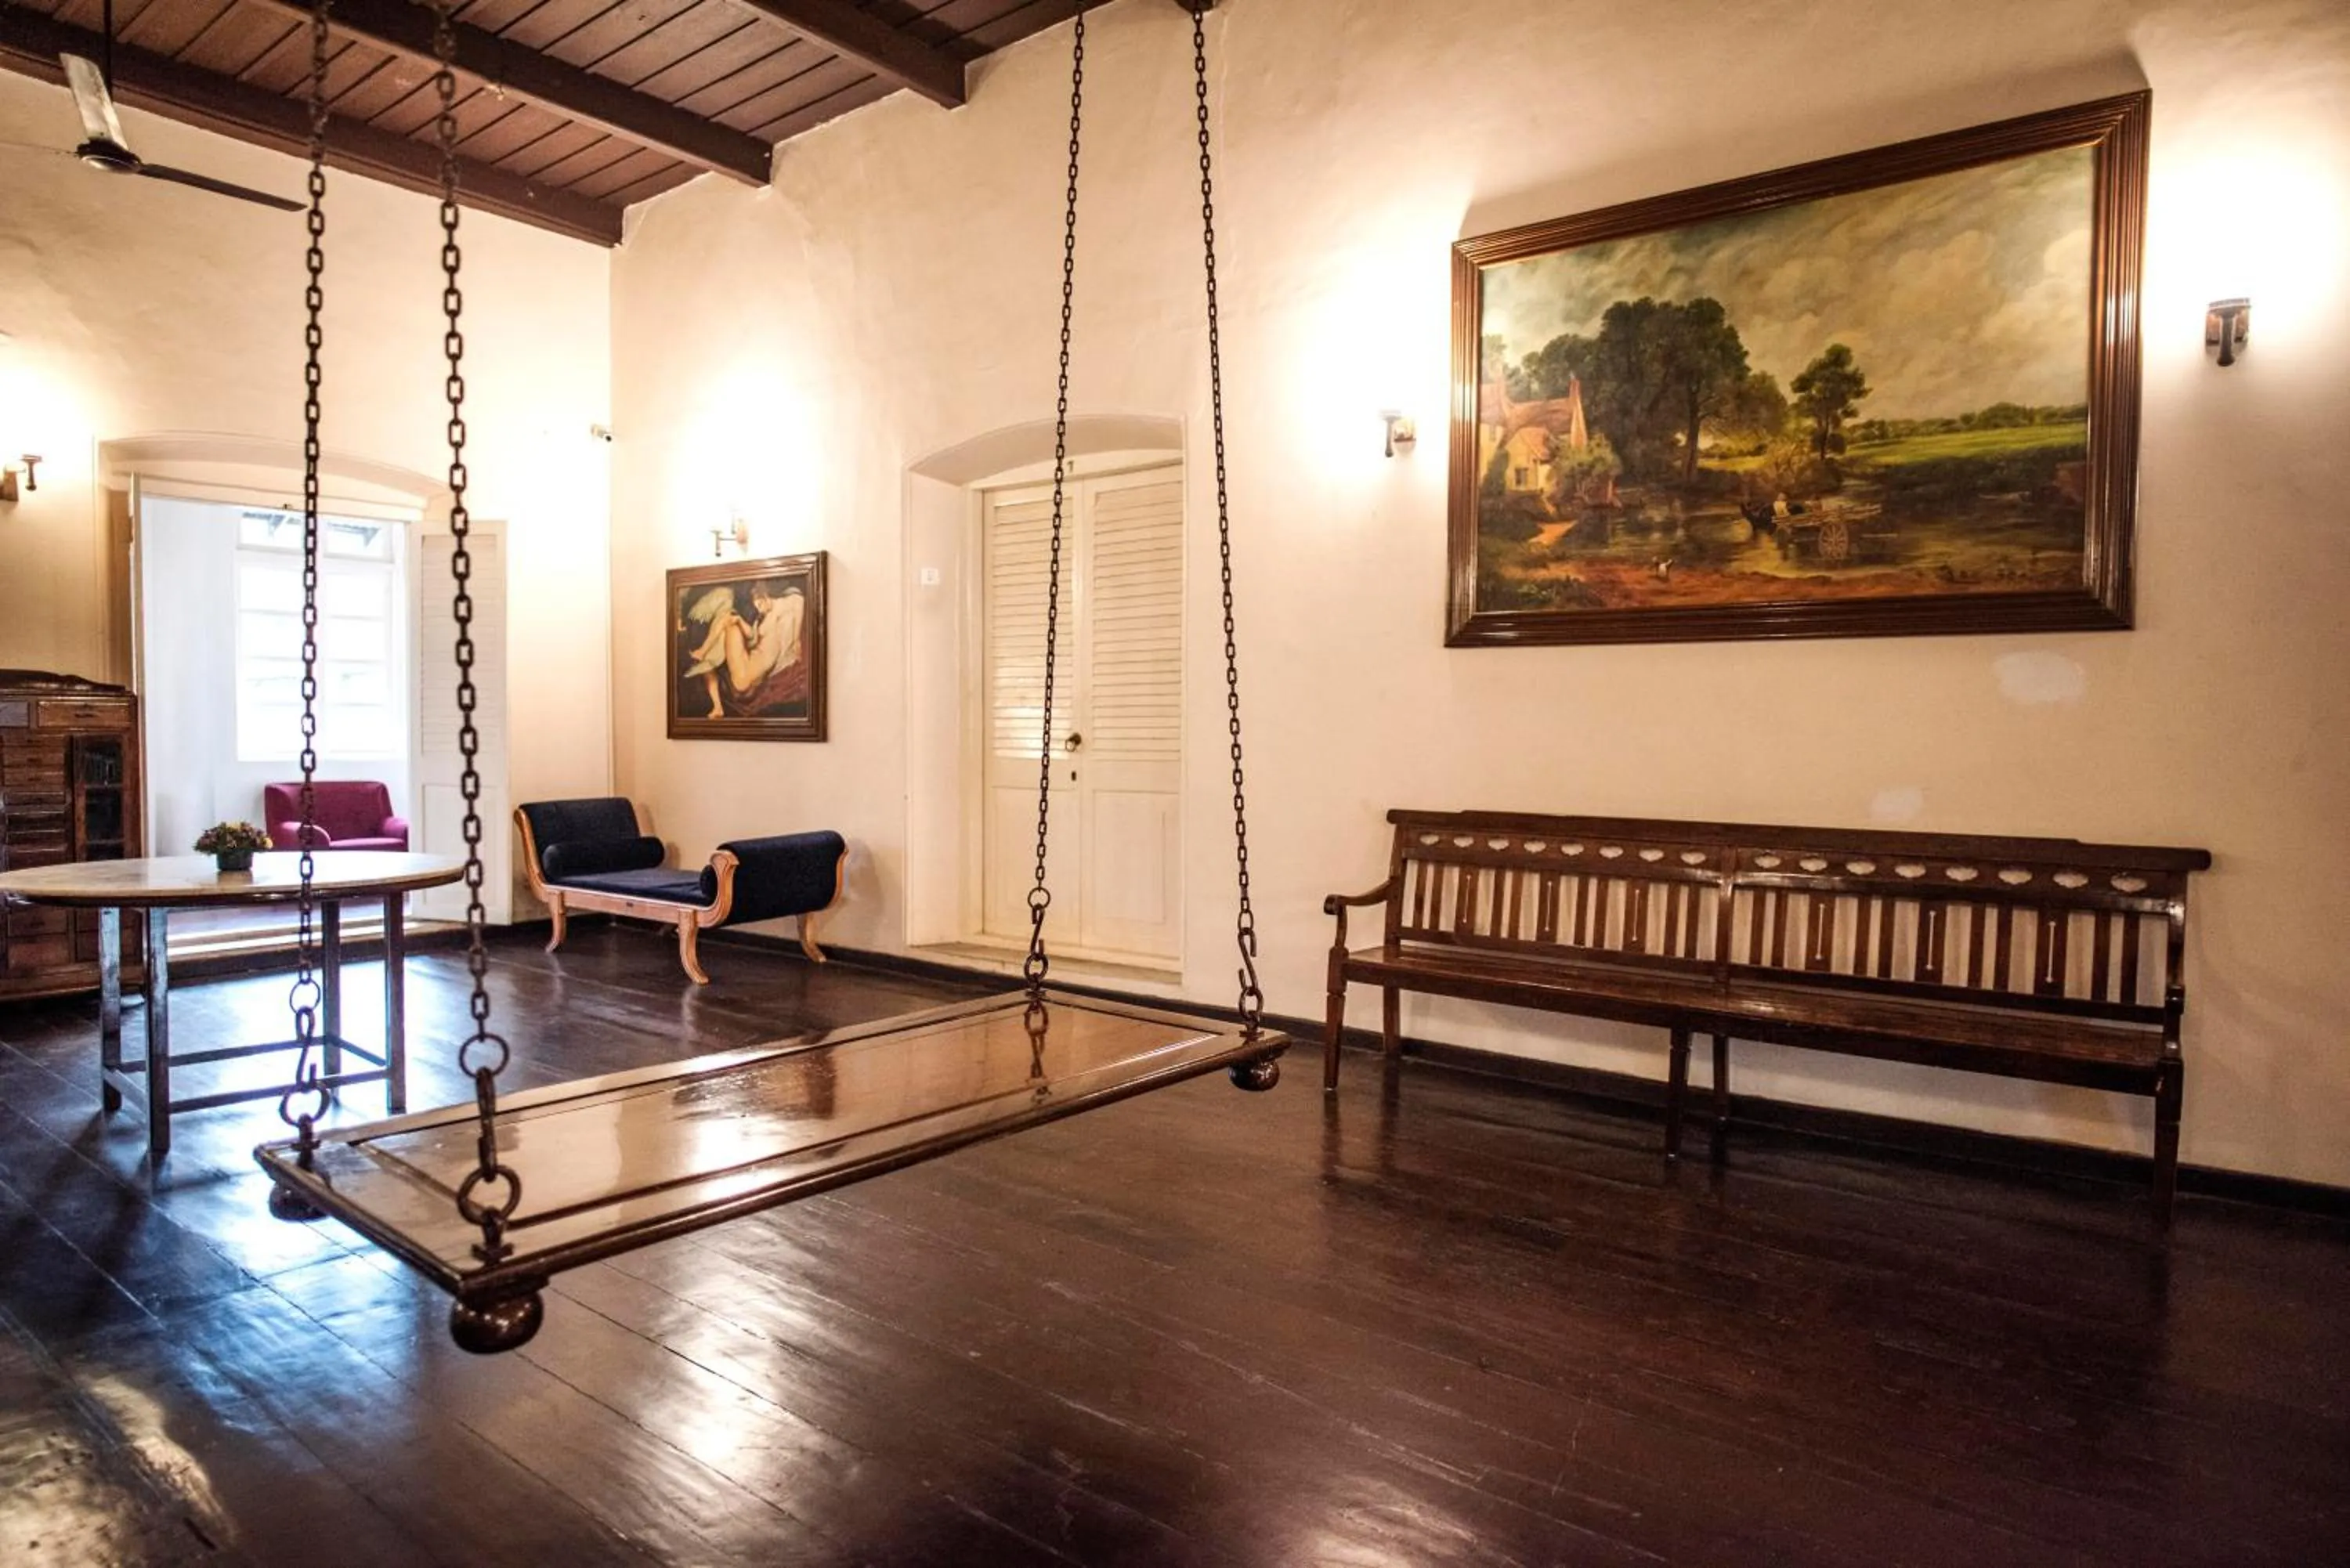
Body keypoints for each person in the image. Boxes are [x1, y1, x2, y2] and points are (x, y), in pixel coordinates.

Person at [682, 580, 804, 718]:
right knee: (730, 621)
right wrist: (740, 621)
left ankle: (703, 651)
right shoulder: (763, 618)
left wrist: (796, 641)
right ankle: (705, 653)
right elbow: (752, 640)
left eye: (759, 604)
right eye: (756, 606)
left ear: (765, 596)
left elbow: (798, 601)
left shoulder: (787, 604)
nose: (759, 610)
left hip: (744, 679)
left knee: (727, 619)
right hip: (746, 675)